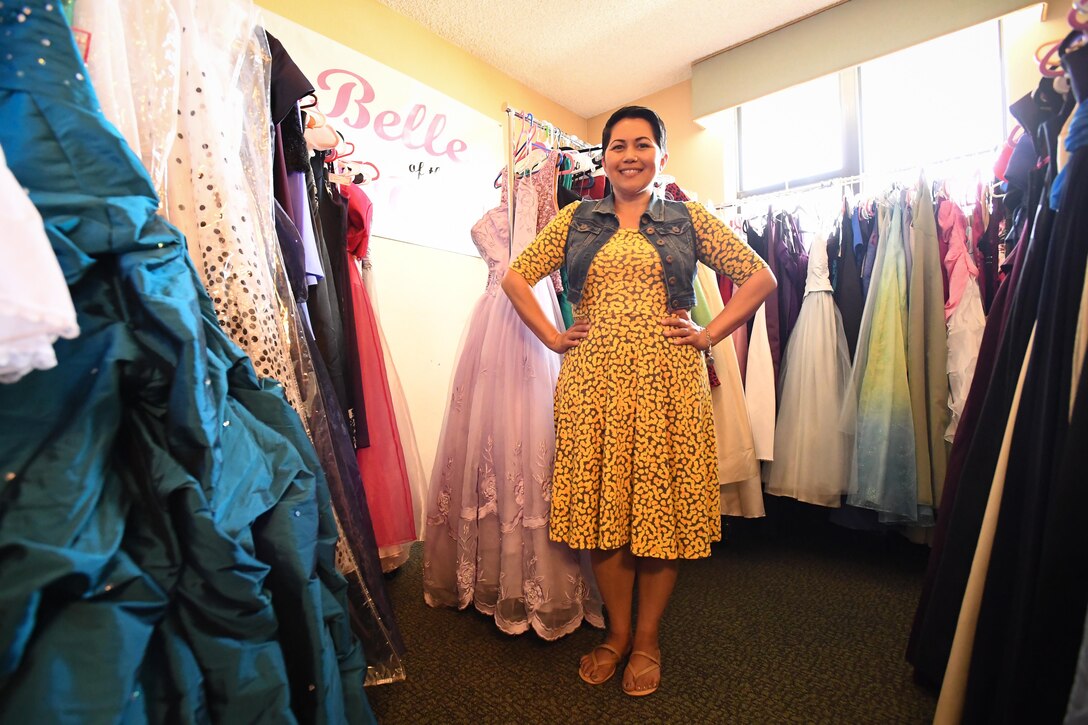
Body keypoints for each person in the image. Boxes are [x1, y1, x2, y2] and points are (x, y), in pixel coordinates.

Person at [502, 106, 777, 696]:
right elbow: (516, 277)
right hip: (593, 379)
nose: (630, 154)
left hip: (667, 382)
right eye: (619, 144)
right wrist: (553, 337)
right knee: (606, 515)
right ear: (604, 156)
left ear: (662, 155)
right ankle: (616, 635)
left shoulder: (687, 219)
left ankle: (647, 640)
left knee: (660, 512)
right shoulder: (577, 218)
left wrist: (707, 334)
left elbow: (759, 278)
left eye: (643, 144)